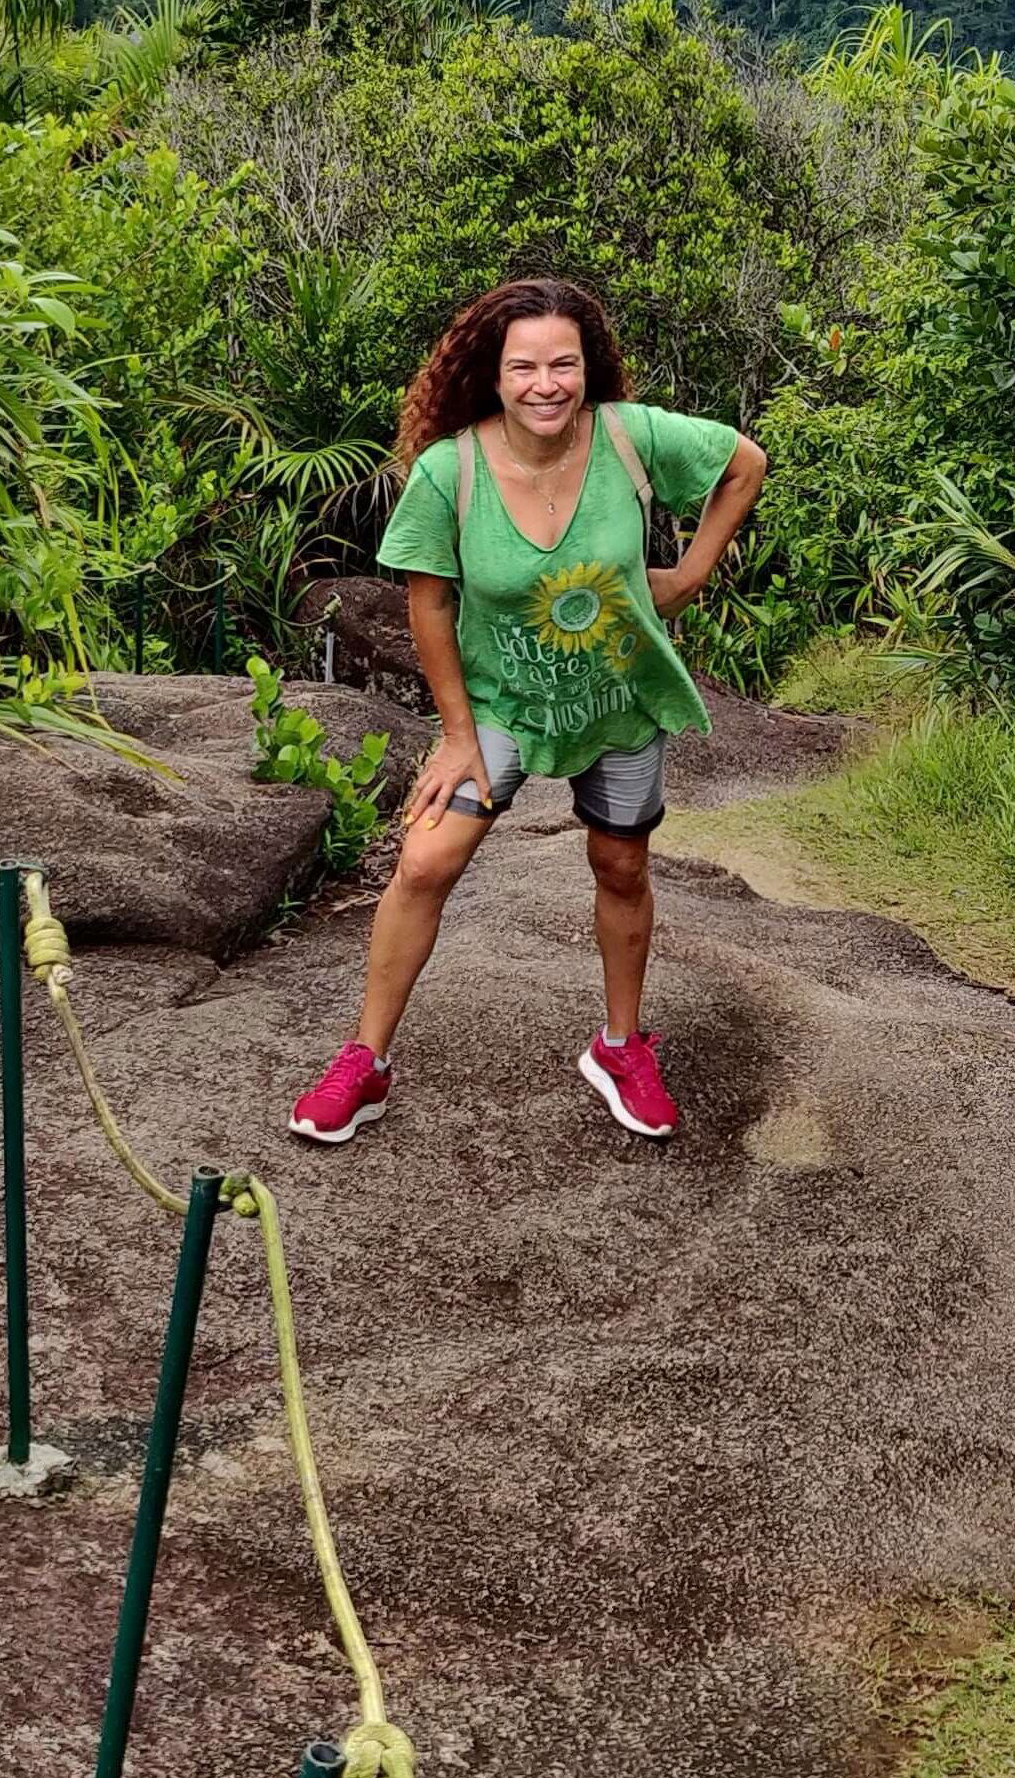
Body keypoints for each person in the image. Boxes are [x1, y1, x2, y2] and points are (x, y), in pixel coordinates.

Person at [288, 275, 765, 1147]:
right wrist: (458, 736)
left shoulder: (630, 437)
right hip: (502, 704)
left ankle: (620, 1047)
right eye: (525, 368)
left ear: (588, 369)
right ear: (493, 375)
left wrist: (690, 575)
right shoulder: (449, 471)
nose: (547, 384)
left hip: (618, 697)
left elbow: (745, 463)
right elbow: (427, 607)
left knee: (621, 867)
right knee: (426, 860)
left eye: (564, 364)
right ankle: (367, 1059)